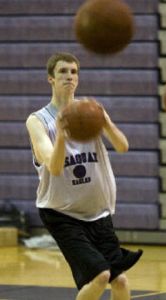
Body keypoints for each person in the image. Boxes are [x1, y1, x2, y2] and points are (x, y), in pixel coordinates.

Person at [26, 52, 143, 300]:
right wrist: (62, 135)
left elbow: (122, 146)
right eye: (63, 72)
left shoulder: (90, 112)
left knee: (120, 280)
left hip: (97, 212)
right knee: (100, 275)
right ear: (51, 78)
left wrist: (106, 123)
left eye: (74, 72)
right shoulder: (38, 121)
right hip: (62, 214)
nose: (69, 76)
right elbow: (55, 167)